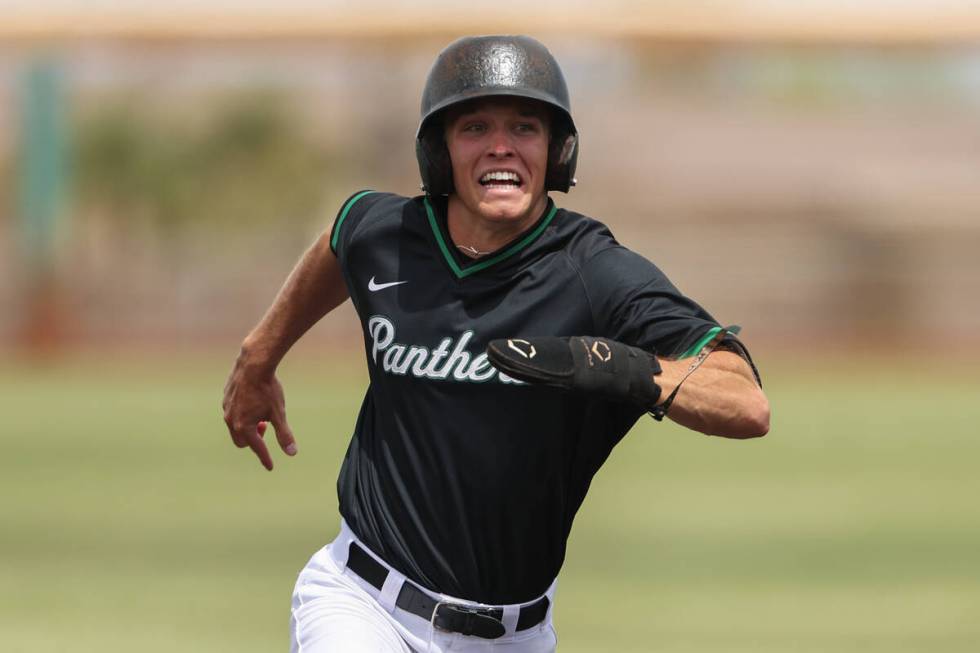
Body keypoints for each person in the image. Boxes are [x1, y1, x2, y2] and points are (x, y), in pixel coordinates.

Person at [222, 35, 769, 653]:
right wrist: (259, 356)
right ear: (440, 152)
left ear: (557, 150)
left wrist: (624, 370)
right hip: (362, 604)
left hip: (517, 635)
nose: (500, 146)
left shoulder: (597, 274)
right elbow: (342, 235)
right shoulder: (391, 233)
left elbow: (746, 404)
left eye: (525, 127)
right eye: (475, 126)